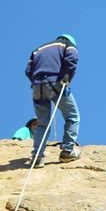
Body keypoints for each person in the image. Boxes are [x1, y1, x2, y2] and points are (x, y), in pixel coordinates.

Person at [25, 34, 81, 168]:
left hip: (37, 87)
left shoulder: (38, 49)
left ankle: (37, 158)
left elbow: (28, 70)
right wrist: (67, 76)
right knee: (73, 116)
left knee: (42, 124)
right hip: (56, 83)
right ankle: (67, 151)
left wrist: (37, 82)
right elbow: (72, 58)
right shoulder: (67, 45)